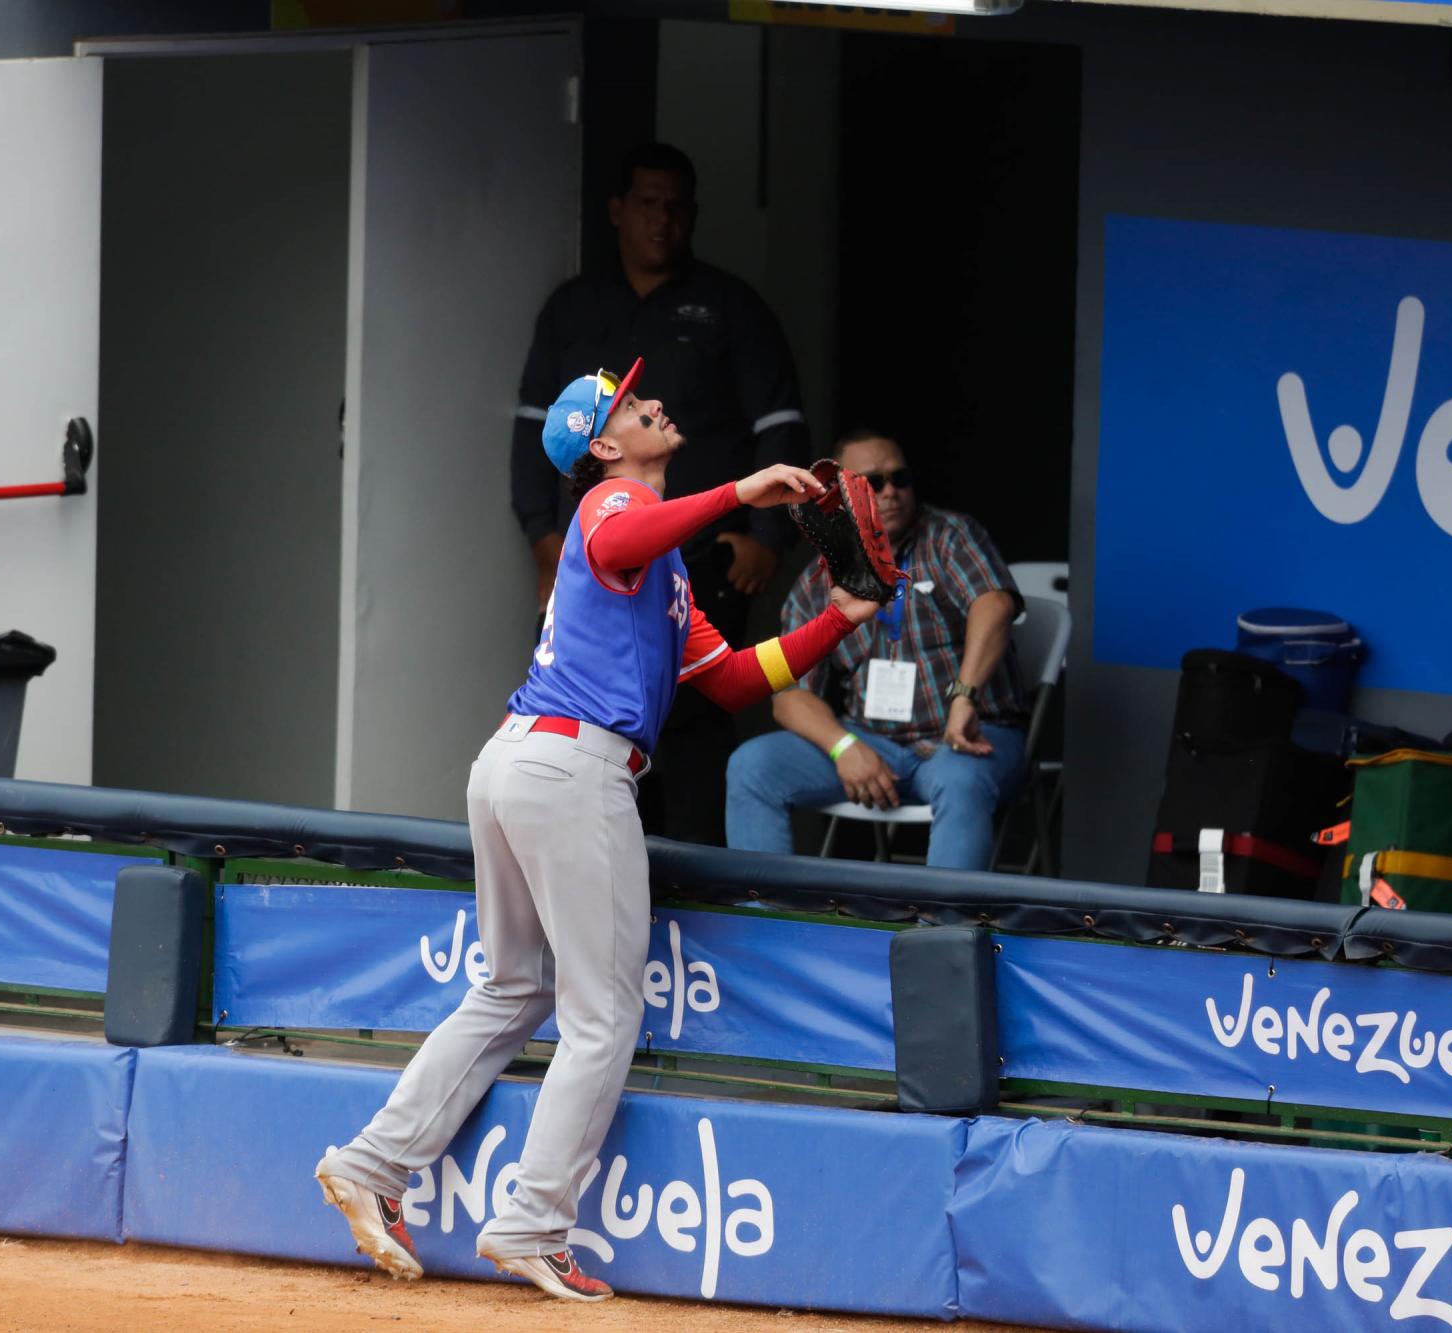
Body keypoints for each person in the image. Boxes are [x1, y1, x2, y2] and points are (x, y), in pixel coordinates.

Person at [317, 359, 876, 1302]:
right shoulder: (610, 506)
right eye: (628, 403)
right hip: (568, 769)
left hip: (519, 762)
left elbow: (736, 678)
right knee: (602, 1012)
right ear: (606, 444)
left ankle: (372, 1162)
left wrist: (837, 618)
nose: (651, 399)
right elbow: (636, 522)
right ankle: (533, 1220)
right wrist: (743, 489)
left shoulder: (657, 562)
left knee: (514, 986)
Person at [509, 143, 810, 846]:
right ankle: (628, 873)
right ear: (617, 209)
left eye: (677, 205)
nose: (663, 219)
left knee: (696, 729)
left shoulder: (731, 306)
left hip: (700, 562)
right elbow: (603, 525)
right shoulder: (575, 308)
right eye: (647, 202)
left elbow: (734, 679)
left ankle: (693, 899)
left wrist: (769, 540)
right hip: (556, 768)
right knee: (606, 734)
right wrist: (542, 537)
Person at [725, 428, 1029, 870]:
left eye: (899, 478)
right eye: (873, 482)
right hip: (871, 741)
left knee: (961, 783)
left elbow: (995, 604)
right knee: (752, 766)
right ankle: (764, 922)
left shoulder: (949, 535)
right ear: (837, 494)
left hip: (965, 737)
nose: (890, 492)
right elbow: (790, 696)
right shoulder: (818, 579)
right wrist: (843, 747)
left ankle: (942, 933)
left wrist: (965, 696)